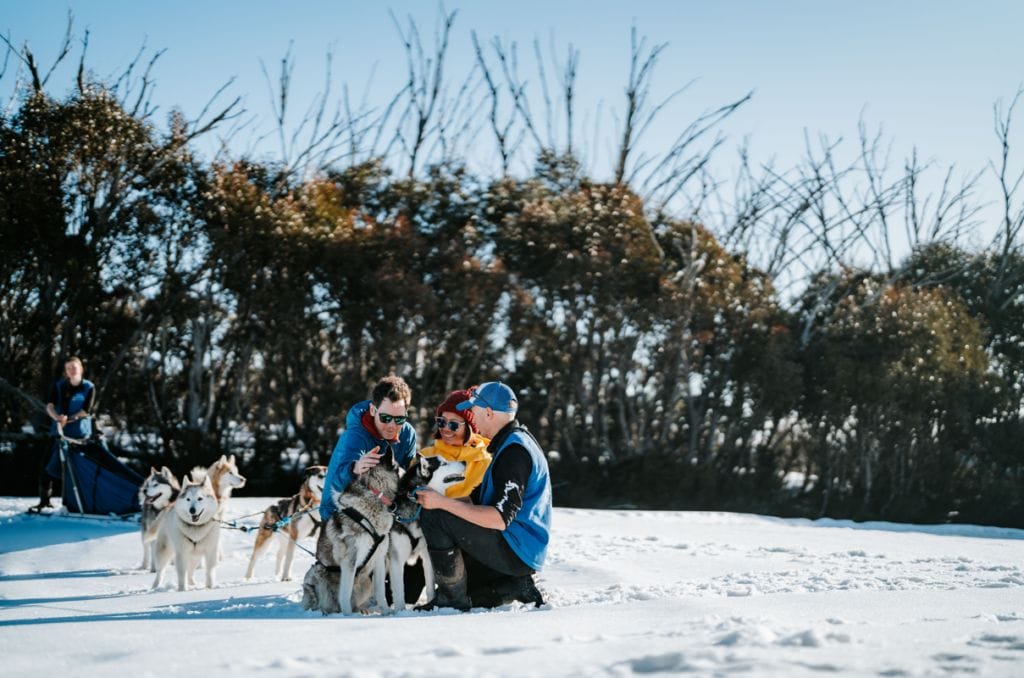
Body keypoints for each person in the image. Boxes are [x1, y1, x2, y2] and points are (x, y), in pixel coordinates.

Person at [415, 381, 552, 610]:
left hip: (517, 550)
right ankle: (512, 585)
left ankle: (450, 599)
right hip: (517, 547)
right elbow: (476, 501)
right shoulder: (509, 442)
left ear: (488, 413)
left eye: (475, 411)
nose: (472, 417)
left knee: (435, 516)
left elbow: (498, 518)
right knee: (473, 592)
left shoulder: (514, 452)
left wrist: (441, 503)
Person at [319, 375, 418, 522]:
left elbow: (406, 481)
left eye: (399, 419)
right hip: (339, 515)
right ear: (373, 410)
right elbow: (334, 484)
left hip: (385, 511)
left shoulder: (408, 434)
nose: (392, 425)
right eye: (385, 418)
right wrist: (355, 469)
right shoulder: (355, 436)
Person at [34, 356, 95, 510]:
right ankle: (44, 501)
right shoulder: (59, 386)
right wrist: (57, 418)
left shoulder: (89, 387)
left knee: (78, 471)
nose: (72, 370)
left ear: (81, 369)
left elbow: (85, 411)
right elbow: (50, 406)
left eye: (74, 367)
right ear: (66, 372)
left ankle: (82, 503)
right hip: (59, 433)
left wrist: (70, 419)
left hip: (79, 436)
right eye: (68, 368)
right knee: (46, 467)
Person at [418, 389, 492, 499]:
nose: (446, 429)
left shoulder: (487, 464)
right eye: (441, 422)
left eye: (453, 424)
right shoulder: (425, 456)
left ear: (470, 427)